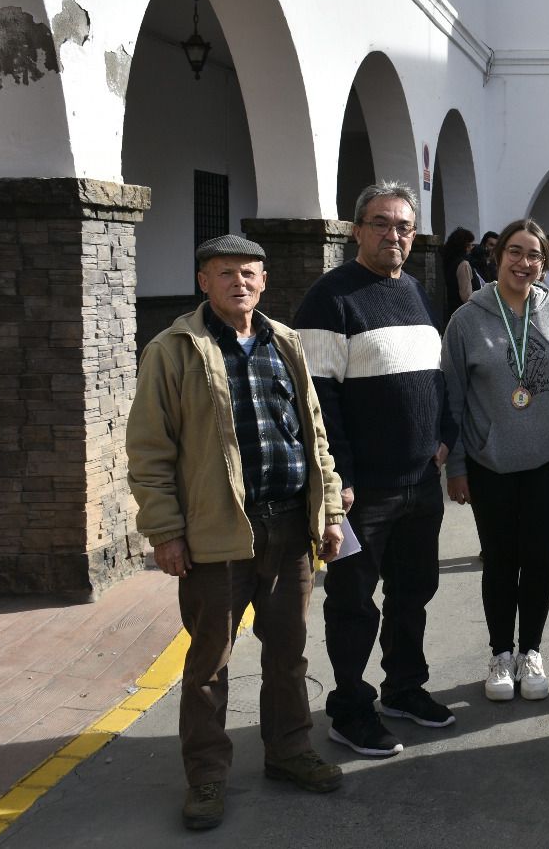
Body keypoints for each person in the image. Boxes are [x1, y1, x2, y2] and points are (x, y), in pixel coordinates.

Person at [129, 235, 345, 831]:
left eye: (249, 274)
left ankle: (289, 750)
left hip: (287, 527)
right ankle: (206, 777)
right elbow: (149, 451)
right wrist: (165, 532)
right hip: (217, 535)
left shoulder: (286, 343)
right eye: (225, 274)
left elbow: (314, 434)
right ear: (204, 281)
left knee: (289, 652)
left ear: (265, 281)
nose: (239, 283)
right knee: (209, 664)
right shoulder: (174, 350)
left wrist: (327, 511)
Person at [294, 182, 457, 758]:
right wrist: (340, 482)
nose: (394, 236)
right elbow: (317, 400)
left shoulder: (415, 290)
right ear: (356, 229)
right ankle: (349, 708)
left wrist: (443, 437)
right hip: (363, 493)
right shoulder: (330, 298)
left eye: (404, 227)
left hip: (420, 483)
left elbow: (433, 377)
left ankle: (403, 689)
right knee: (354, 604)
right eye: (382, 223)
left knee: (414, 592)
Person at [443, 218, 549, 703]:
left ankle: (532, 651)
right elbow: (454, 397)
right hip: (490, 461)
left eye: (534, 256)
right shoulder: (467, 319)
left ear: (544, 264)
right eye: (515, 253)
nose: (524, 263)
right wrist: (456, 465)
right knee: (500, 559)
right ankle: (501, 653)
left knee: (539, 558)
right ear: (497, 257)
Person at [441, 227, 482, 327]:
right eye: (470, 245)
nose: (472, 248)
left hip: (454, 313)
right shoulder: (463, 264)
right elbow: (467, 296)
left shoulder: (450, 262)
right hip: (464, 317)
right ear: (464, 246)